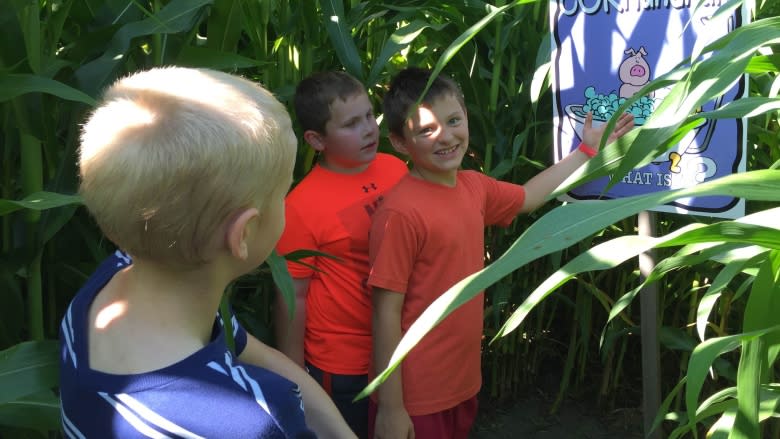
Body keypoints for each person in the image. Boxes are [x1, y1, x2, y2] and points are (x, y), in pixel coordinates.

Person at [58, 66, 356, 439]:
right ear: (243, 233)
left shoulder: (105, 292)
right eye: (283, 194)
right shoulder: (255, 420)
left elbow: (254, 353)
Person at [367, 67, 634, 439]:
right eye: (426, 130)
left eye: (454, 120)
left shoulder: (473, 187)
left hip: (461, 383)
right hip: (415, 396)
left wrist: (587, 151)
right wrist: (391, 409)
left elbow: (528, 197)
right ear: (398, 142)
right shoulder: (400, 214)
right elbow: (385, 311)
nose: (445, 136)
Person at [274, 70, 408, 439]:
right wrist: (294, 378)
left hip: (401, 347)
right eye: (351, 124)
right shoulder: (300, 207)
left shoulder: (396, 168)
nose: (368, 129)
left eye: (369, 116)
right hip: (344, 366)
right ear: (316, 140)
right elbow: (292, 297)